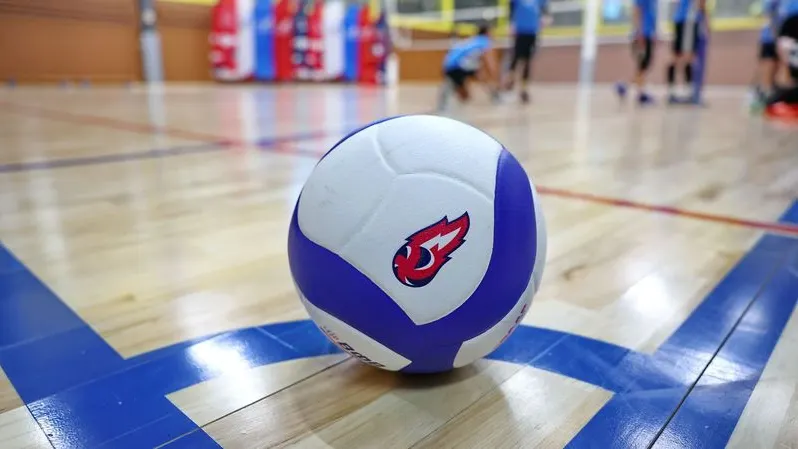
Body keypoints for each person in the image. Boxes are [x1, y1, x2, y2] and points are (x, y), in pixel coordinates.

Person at [438, 23, 500, 110]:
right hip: (459, 66)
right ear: (486, 33)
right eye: (491, 32)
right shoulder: (484, 41)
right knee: (478, 77)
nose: (493, 35)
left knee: (463, 91)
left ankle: (444, 102)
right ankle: (495, 95)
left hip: (449, 65)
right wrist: (496, 78)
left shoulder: (472, 40)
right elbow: (490, 62)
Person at [504, 0, 551, 103]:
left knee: (527, 61)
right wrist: (510, 23)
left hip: (532, 31)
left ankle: (524, 89)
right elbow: (511, 8)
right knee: (516, 57)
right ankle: (510, 80)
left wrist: (546, 17)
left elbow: (545, 7)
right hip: (520, 31)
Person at [615, 0, 658, 105]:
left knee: (643, 66)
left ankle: (629, 88)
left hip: (648, 34)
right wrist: (639, 33)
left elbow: (652, 15)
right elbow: (636, 11)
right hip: (642, 35)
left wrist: (654, 33)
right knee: (642, 66)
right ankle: (638, 93)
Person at [666, 0, 709, 101]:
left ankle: (674, 92)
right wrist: (706, 22)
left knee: (679, 57)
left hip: (682, 19)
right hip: (688, 20)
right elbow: (701, 4)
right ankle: (687, 92)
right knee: (687, 57)